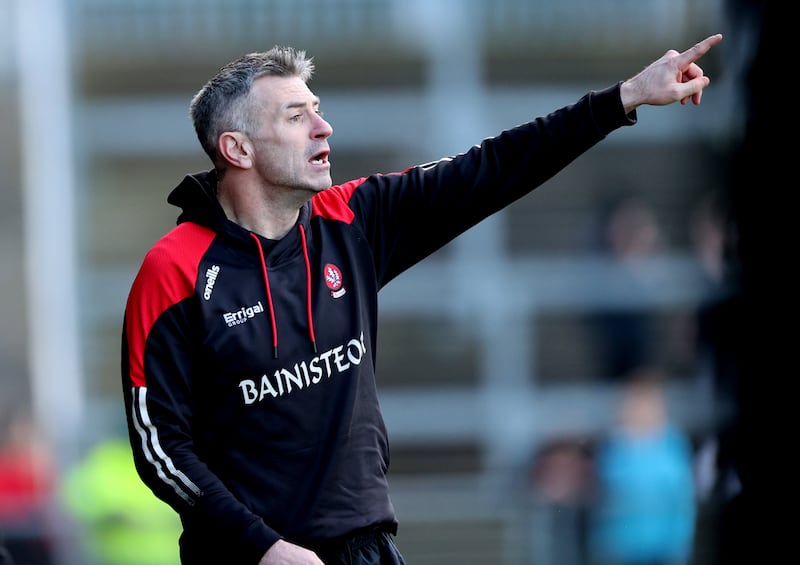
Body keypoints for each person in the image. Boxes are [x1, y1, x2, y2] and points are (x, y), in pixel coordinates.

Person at [120, 33, 722, 565]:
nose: (324, 128)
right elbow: (160, 448)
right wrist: (263, 548)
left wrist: (624, 98)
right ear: (239, 150)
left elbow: (493, 167)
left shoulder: (352, 220)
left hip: (367, 545)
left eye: (319, 111)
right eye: (296, 116)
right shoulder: (173, 272)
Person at [587, 368, 697, 565]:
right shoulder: (614, 448)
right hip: (621, 546)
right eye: (635, 405)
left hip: (663, 547)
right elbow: (607, 489)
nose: (642, 412)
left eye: (648, 405)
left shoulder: (674, 447)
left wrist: (680, 543)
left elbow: (682, 497)